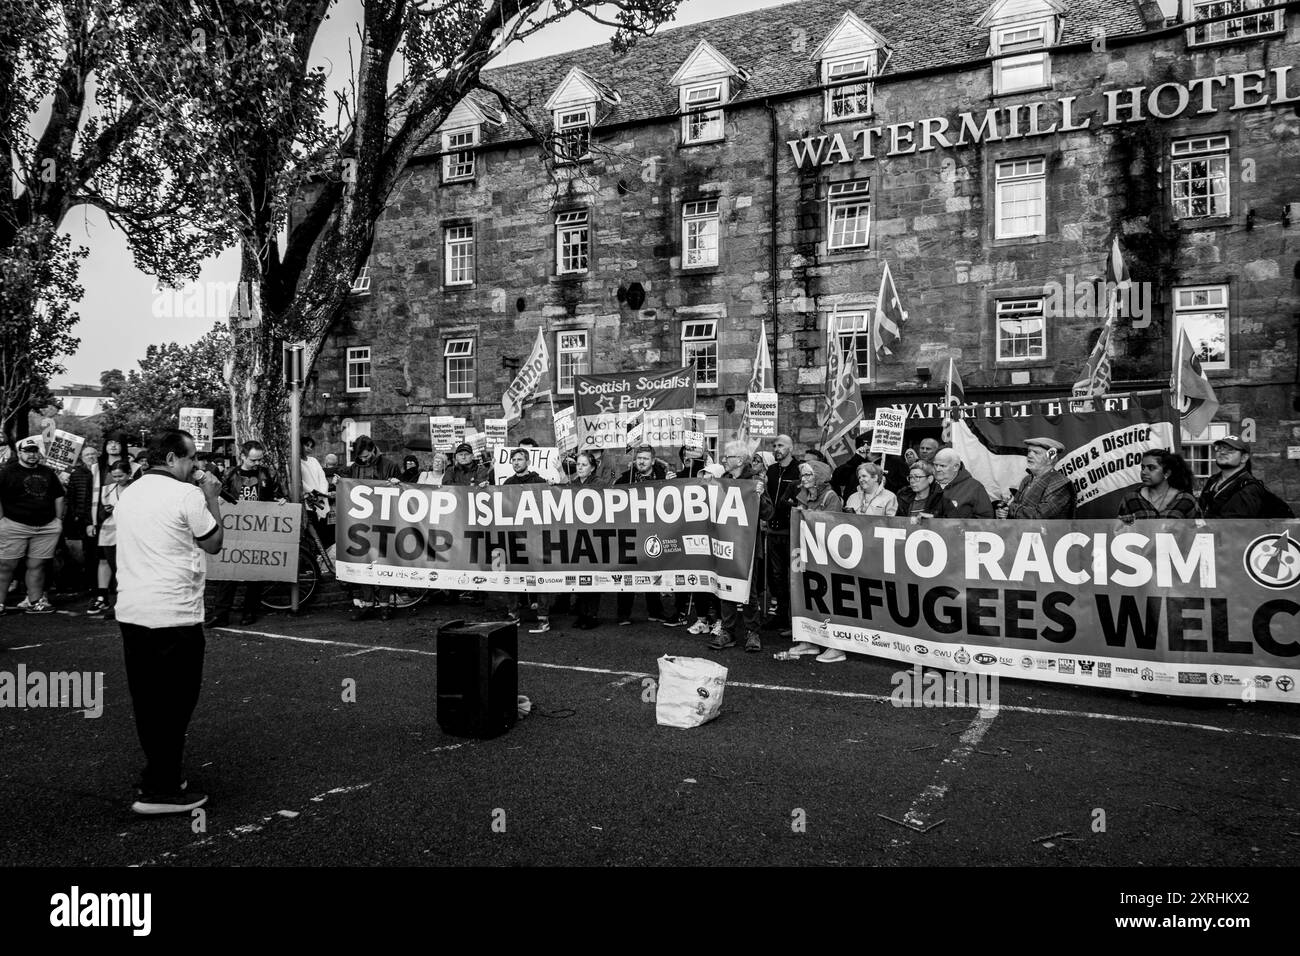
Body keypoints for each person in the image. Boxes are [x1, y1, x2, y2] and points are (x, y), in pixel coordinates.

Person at [114, 429, 224, 815]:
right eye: (191, 458)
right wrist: (211, 496)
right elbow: (213, 542)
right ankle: (159, 789)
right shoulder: (187, 495)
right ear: (174, 459)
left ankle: (160, 774)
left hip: (132, 610)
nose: (195, 466)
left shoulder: (129, 492)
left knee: (148, 700)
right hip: (174, 612)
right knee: (176, 702)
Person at [206, 440, 284, 628]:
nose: (257, 463)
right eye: (253, 460)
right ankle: (220, 613)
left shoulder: (268, 474)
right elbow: (220, 494)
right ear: (242, 456)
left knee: (254, 573)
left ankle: (249, 612)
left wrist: (281, 500)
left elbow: (277, 495)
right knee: (228, 573)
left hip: (258, 530)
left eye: (259, 460)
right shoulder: (230, 474)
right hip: (235, 531)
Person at [712, 443, 771, 653]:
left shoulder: (755, 481)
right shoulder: (723, 481)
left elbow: (767, 514)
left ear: (740, 459)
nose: (724, 459)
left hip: (748, 546)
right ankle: (727, 631)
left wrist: (760, 495)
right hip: (725, 543)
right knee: (725, 587)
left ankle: (751, 631)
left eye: (728, 456)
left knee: (749, 591)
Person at [785, 460, 844, 662]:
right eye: (803, 475)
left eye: (809, 475)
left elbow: (832, 523)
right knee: (807, 596)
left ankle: (835, 645)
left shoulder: (830, 496)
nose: (804, 479)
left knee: (827, 597)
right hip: (805, 552)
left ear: (819, 476)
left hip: (824, 556)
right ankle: (809, 641)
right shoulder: (803, 495)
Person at [615, 445, 681, 625]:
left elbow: (675, 499)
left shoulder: (663, 476)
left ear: (652, 460)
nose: (641, 461)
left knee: (653, 572)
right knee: (627, 571)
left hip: (654, 531)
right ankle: (623, 614)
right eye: (639, 458)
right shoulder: (625, 478)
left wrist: (671, 482)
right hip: (630, 531)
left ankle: (655, 611)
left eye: (645, 458)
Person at [0, 437, 65, 614]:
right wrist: (1, 520)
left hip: (46, 527)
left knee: (37, 565)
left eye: (34, 451)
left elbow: (59, 495)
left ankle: (35, 601)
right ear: (20, 453)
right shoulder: (8, 471)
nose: (31, 455)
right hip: (14, 525)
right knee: (6, 566)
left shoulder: (47, 472)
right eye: (27, 452)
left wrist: (58, 520)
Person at [345, 436, 402, 620]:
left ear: (373, 450)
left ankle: (384, 605)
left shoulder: (390, 465)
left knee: (384, 562)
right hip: (361, 522)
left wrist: (397, 484)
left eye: (366, 456)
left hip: (385, 520)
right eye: (360, 457)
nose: (363, 460)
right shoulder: (354, 467)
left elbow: (404, 491)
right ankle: (368, 604)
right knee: (364, 562)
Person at [501, 448, 552, 632]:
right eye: (513, 459)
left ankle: (543, 618)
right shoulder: (507, 483)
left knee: (540, 577)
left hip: (536, 538)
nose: (516, 462)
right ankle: (513, 614)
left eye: (520, 459)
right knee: (512, 575)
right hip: (515, 537)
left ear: (527, 462)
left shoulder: (539, 482)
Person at [764, 434, 802, 634]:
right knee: (776, 576)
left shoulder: (799, 469)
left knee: (792, 576)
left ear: (791, 448)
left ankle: (793, 620)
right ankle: (780, 616)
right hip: (772, 529)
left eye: (781, 445)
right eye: (775, 445)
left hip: (791, 530)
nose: (777, 448)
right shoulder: (771, 470)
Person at [88, 459, 130, 617]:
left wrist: (118, 508)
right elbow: (99, 511)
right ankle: (106, 597)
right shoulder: (107, 489)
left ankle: (123, 600)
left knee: (123, 566)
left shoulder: (135, 489)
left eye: (120, 476)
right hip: (108, 531)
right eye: (114, 476)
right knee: (109, 564)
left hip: (127, 532)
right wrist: (106, 511)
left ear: (129, 474)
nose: (117, 479)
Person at [998, 437, 1076, 520]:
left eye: (1036, 453)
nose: (1029, 455)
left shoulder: (1061, 484)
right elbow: (1015, 506)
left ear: (1050, 459)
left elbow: (1040, 515)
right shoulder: (1027, 479)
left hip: (1050, 532)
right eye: (1029, 451)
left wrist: (1011, 508)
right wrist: (1006, 512)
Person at [569, 452, 606, 629]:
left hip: (594, 535)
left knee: (592, 577)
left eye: (584, 465)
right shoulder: (573, 484)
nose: (580, 467)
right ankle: (581, 614)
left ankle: (591, 615)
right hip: (577, 535)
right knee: (579, 577)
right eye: (578, 464)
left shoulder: (599, 484)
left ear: (592, 467)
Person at [1119, 450, 1201, 521]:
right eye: (1143, 467)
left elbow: (1200, 531)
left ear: (1167, 473)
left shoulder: (1185, 500)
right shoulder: (1131, 499)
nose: (1144, 472)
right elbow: (1119, 531)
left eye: (1151, 468)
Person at [64, 444, 101, 597]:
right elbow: (71, 497)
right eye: (87, 455)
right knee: (88, 552)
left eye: (93, 454)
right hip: (82, 519)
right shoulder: (77, 473)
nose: (91, 457)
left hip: (99, 517)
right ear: (82, 458)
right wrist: (76, 515)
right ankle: (90, 583)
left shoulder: (102, 472)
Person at [1198, 435, 1266, 518]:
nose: (1222, 452)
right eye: (1219, 448)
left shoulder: (1249, 488)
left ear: (1244, 458)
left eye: (1230, 449)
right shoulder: (1212, 480)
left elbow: (1233, 524)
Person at [931, 448, 995, 518]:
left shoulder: (974, 488)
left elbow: (986, 519)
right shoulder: (927, 483)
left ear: (956, 467)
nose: (937, 469)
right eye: (935, 465)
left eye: (942, 466)